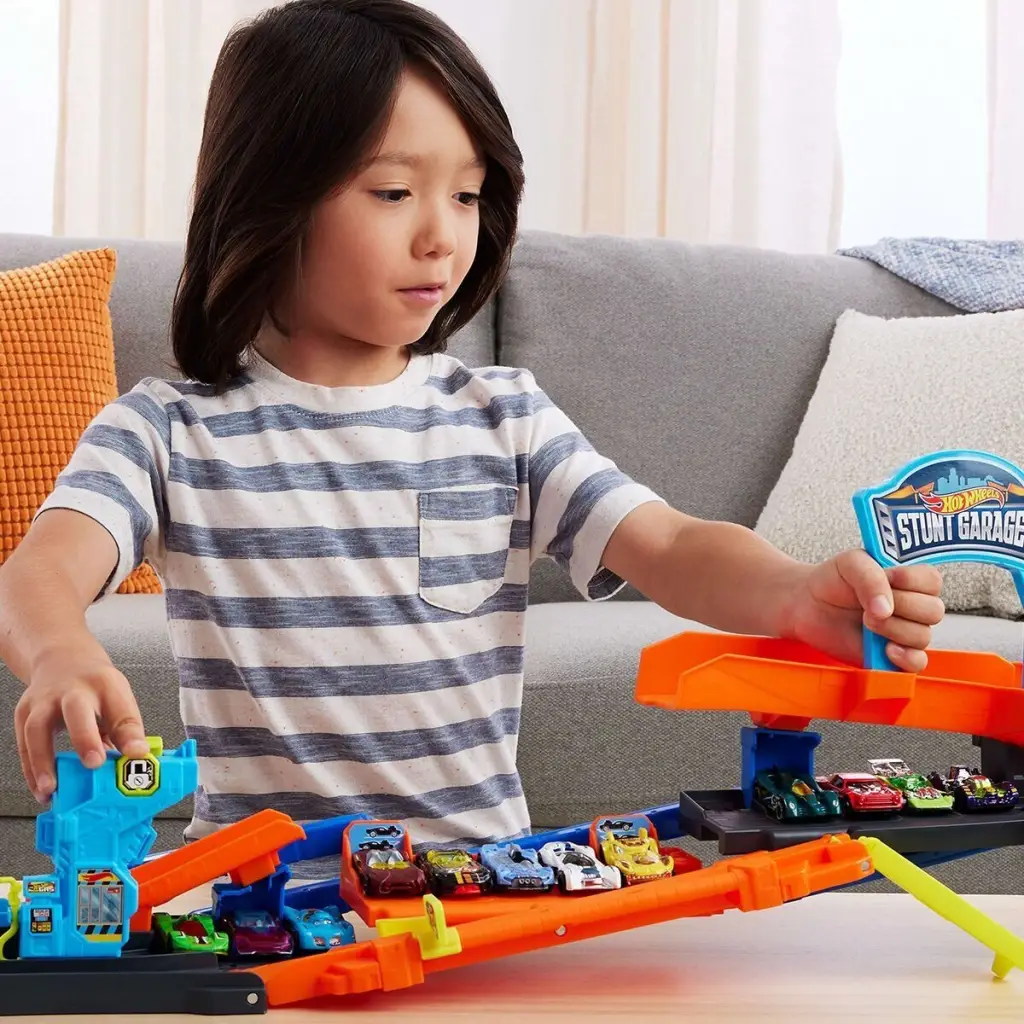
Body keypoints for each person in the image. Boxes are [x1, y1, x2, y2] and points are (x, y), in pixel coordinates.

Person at [0, 0, 943, 848]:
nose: (443, 235)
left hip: (479, 894)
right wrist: (60, 650)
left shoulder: (507, 419)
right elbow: (35, 574)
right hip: (261, 903)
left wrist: (792, 593)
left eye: (466, 193)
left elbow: (669, 545)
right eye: (393, 192)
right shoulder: (167, 432)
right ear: (268, 198)